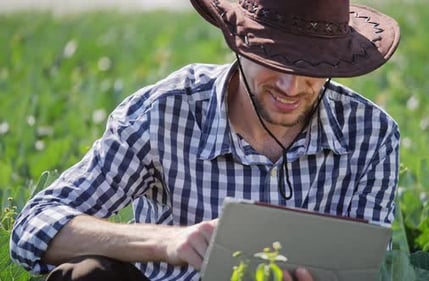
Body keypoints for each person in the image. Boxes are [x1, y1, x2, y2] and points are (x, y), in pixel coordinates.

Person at [10, 0, 401, 280]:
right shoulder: (165, 112)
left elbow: (365, 264)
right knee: (90, 275)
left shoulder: (372, 136)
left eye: (311, 67)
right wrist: (167, 243)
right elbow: (34, 227)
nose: (290, 85)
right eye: (274, 60)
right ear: (238, 42)